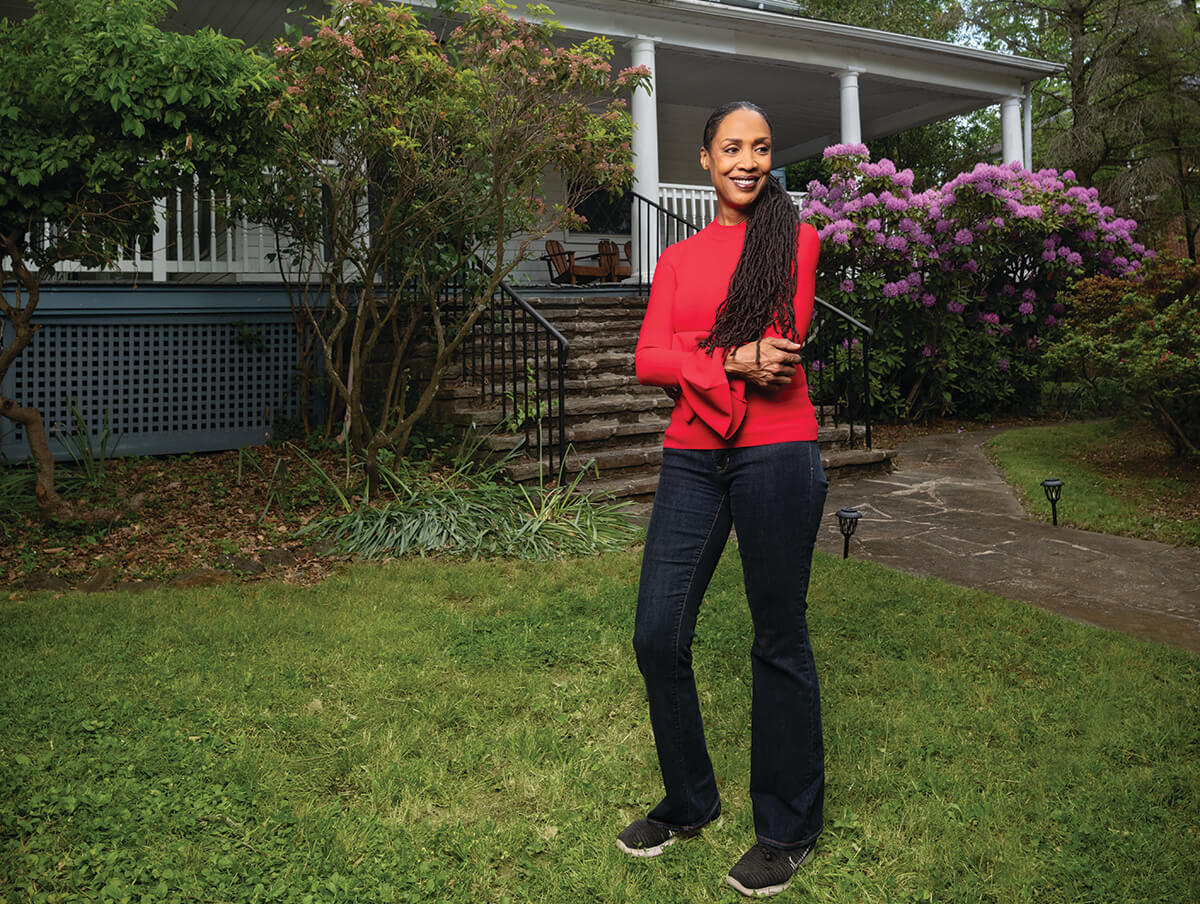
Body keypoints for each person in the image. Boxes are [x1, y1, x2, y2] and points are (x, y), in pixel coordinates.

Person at [616, 101, 827, 898]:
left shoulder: (795, 240)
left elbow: (782, 345)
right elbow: (644, 357)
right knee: (657, 633)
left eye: (762, 148)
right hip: (694, 456)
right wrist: (729, 360)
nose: (748, 160)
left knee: (777, 634)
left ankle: (787, 827)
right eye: (732, 147)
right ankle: (689, 799)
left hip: (778, 450)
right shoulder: (677, 259)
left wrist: (707, 359)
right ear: (704, 159)